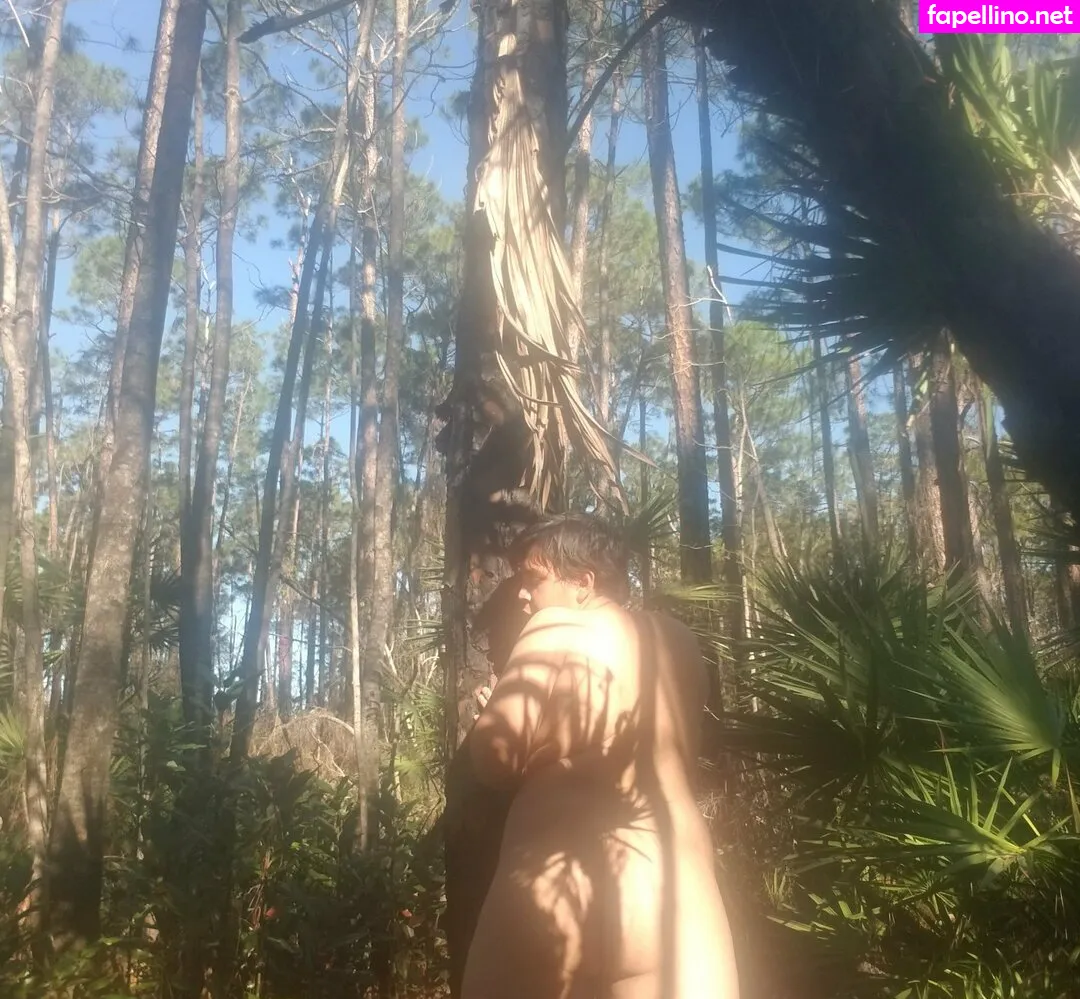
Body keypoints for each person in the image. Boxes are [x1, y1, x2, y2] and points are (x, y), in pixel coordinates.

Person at [460, 514, 740, 999]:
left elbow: (494, 757)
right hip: (678, 894)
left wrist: (492, 718)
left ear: (584, 583)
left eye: (534, 580)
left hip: (562, 877)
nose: (522, 595)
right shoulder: (679, 642)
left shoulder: (554, 625)